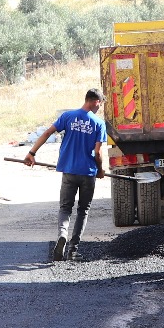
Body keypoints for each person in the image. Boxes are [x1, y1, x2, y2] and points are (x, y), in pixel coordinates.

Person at [24, 90, 108, 261]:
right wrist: (100, 170)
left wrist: (32, 152)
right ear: (96, 102)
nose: (100, 108)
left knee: (65, 208)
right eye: (100, 104)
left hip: (69, 171)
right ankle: (73, 250)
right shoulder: (99, 123)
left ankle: (62, 234)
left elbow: (47, 133)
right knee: (83, 211)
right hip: (88, 173)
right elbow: (97, 152)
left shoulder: (68, 116)